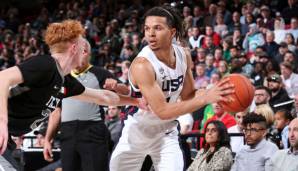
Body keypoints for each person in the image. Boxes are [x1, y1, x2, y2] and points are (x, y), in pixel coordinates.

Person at [0, 20, 140, 170]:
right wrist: (2, 121)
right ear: (74, 48)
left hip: (9, 142)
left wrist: (137, 102)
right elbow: (2, 78)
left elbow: (103, 97)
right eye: (83, 47)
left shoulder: (65, 82)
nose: (85, 52)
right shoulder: (46, 64)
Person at [109, 6, 234, 171]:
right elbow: (162, 111)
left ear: (172, 32)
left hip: (166, 133)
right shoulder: (142, 65)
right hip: (137, 133)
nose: (150, 34)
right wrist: (205, 98)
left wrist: (212, 91)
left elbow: (189, 95)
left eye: (157, 28)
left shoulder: (184, 55)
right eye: (147, 29)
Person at [43, 39, 129, 171]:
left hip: (92, 130)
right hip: (67, 133)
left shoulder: (100, 73)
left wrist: (117, 86)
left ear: (85, 53)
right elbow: (56, 112)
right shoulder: (61, 78)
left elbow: (127, 92)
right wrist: (48, 139)